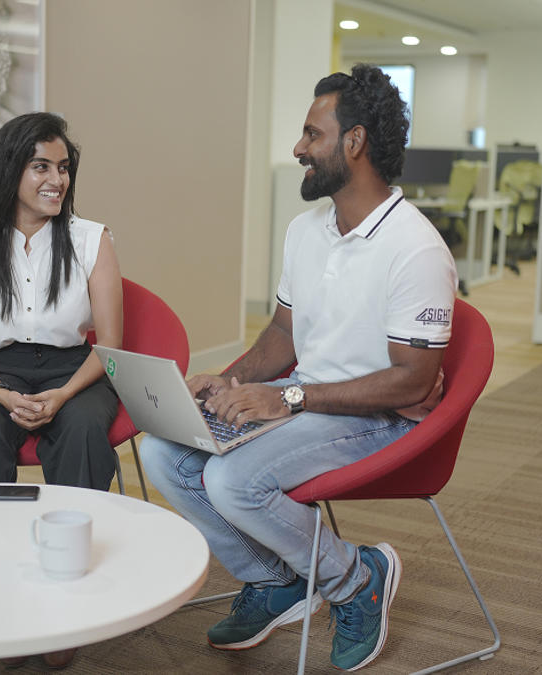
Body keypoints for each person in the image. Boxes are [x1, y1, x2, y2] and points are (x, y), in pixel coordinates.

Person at [139, 65, 457, 671]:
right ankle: (276, 581)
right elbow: (284, 332)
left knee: (233, 482)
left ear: (354, 142)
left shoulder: (415, 249)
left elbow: (414, 382)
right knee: (165, 452)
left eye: (312, 134)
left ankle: (353, 579)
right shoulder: (306, 230)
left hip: (380, 417)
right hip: (305, 399)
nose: (299, 147)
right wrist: (231, 382)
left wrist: (286, 400)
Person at [0, 112, 123, 668]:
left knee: (86, 433)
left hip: (78, 367)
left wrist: (65, 395)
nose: (57, 179)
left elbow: (110, 347)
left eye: (64, 168)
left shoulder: (93, 239)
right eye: (41, 165)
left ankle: (66, 602)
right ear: (9, 169)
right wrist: (0, 394)